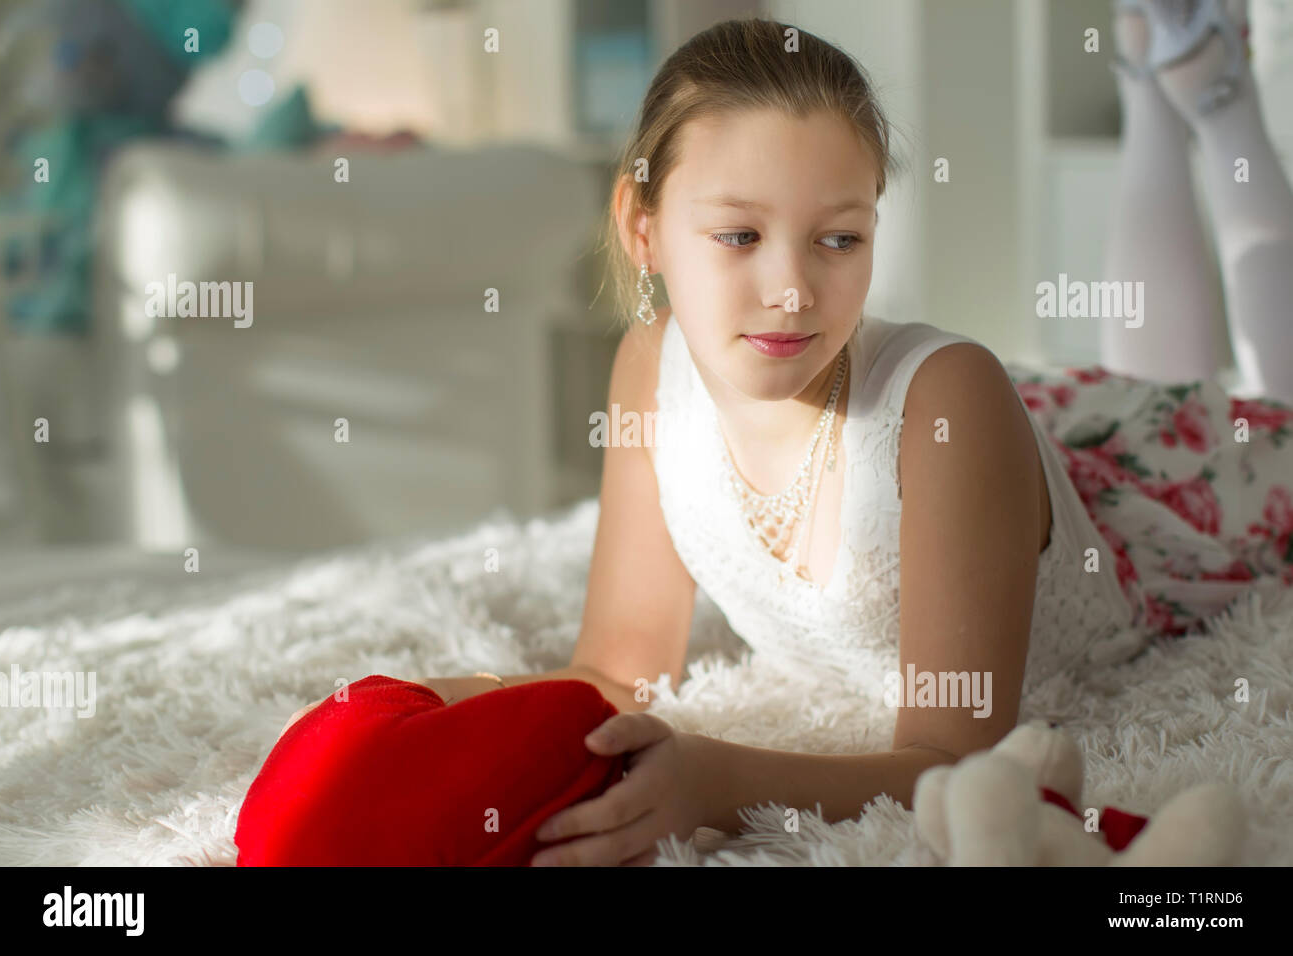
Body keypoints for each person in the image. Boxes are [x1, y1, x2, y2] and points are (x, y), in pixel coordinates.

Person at [277, 11, 1293, 866]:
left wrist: (721, 777)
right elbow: (621, 664)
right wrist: (422, 720)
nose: (793, 289)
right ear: (643, 226)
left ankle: (1203, 95)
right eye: (738, 236)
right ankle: (1164, 80)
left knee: (1253, 410)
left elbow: (948, 752)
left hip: (1148, 502)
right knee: (1158, 382)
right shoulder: (650, 359)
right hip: (1023, 447)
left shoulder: (948, 404)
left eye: (838, 237)